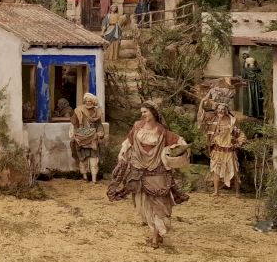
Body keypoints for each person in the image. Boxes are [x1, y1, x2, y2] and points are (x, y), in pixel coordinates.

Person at [108, 102, 189, 248]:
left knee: (158, 204)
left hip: (157, 172)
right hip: (139, 171)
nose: (143, 114)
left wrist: (172, 151)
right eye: (142, 112)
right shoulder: (137, 126)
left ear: (153, 112)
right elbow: (129, 141)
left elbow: (180, 142)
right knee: (144, 205)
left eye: (145, 112)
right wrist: (122, 152)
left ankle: (155, 238)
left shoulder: (162, 131)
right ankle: (156, 234)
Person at [69, 92, 105, 182]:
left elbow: (99, 125)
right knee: (82, 158)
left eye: (90, 101)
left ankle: (94, 178)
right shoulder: (78, 110)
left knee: (94, 158)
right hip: (81, 137)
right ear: (84, 101)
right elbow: (74, 124)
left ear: (93, 102)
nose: (88, 103)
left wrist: (100, 132)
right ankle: (84, 177)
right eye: (86, 101)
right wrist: (74, 134)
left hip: (93, 138)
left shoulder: (97, 112)